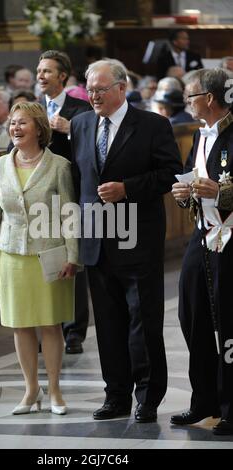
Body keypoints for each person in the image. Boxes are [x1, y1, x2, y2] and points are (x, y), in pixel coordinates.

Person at [71, 59, 182, 421]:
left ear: (122, 87)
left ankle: (147, 397)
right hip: (97, 240)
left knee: (143, 320)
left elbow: (168, 174)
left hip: (139, 238)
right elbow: (79, 180)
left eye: (101, 89)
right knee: (107, 323)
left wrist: (127, 189)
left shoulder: (153, 125)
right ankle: (115, 395)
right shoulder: (81, 123)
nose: (94, 96)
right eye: (90, 89)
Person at [0, 101, 79, 415]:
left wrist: (73, 255)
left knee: (51, 325)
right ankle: (30, 390)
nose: (15, 129)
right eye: (12, 123)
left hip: (49, 254)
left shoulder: (59, 166)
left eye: (22, 123)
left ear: (38, 128)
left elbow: (69, 216)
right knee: (20, 327)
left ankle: (55, 392)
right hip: (10, 254)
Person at [171, 68, 233, 436]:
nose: (187, 102)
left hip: (230, 238)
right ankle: (203, 400)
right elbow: (192, 177)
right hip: (202, 234)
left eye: (190, 96)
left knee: (229, 322)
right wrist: (184, 194)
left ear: (209, 98)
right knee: (191, 314)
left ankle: (231, 406)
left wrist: (221, 193)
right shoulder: (199, 135)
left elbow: (220, 189)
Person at [36, 50, 91, 354]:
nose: (41, 75)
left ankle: (74, 331)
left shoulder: (81, 110)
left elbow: (95, 149)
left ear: (63, 77)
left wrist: (70, 131)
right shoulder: (32, 109)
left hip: (73, 194)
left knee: (73, 261)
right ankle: (51, 326)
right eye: (39, 70)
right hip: (41, 199)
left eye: (47, 71)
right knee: (46, 261)